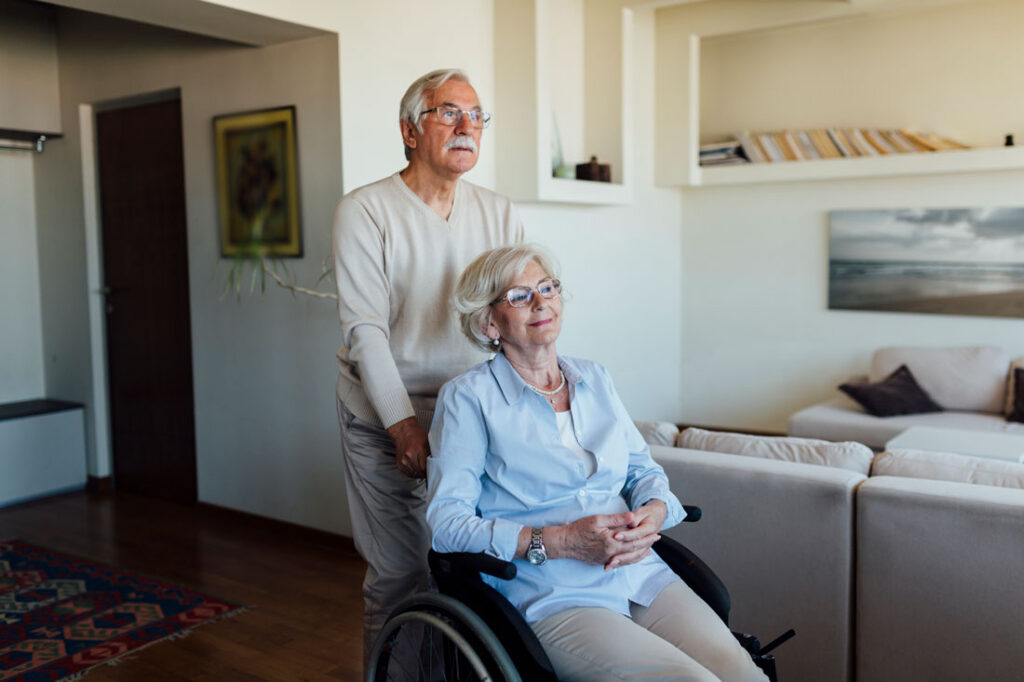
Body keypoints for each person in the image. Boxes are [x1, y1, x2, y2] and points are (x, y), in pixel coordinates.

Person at [426, 245, 768, 681]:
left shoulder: (595, 379)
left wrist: (654, 511)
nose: (541, 302)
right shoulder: (468, 398)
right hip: (553, 593)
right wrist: (562, 541)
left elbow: (643, 471)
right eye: (519, 295)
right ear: (489, 322)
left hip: (638, 572)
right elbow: (447, 525)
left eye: (547, 288)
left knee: (743, 672)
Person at [331, 69, 524, 666]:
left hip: (471, 414)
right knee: (403, 572)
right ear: (410, 131)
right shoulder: (365, 210)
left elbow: (514, 316)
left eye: (477, 115)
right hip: (385, 416)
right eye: (449, 112)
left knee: (471, 567)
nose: (467, 126)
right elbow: (365, 331)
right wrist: (403, 426)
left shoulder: (498, 213)